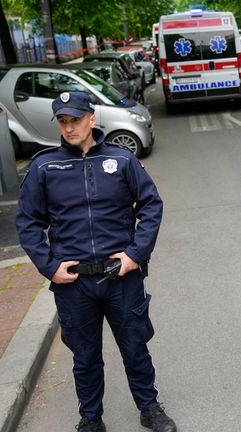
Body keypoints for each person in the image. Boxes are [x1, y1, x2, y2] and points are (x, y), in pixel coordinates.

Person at [15, 92, 177, 432]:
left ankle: (149, 408)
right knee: (85, 357)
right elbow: (27, 222)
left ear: (92, 119)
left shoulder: (122, 161)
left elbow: (150, 207)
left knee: (135, 349)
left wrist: (135, 254)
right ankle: (91, 418)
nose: (69, 127)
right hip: (74, 283)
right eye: (63, 121)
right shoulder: (45, 166)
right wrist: (49, 266)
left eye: (75, 120)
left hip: (121, 277)